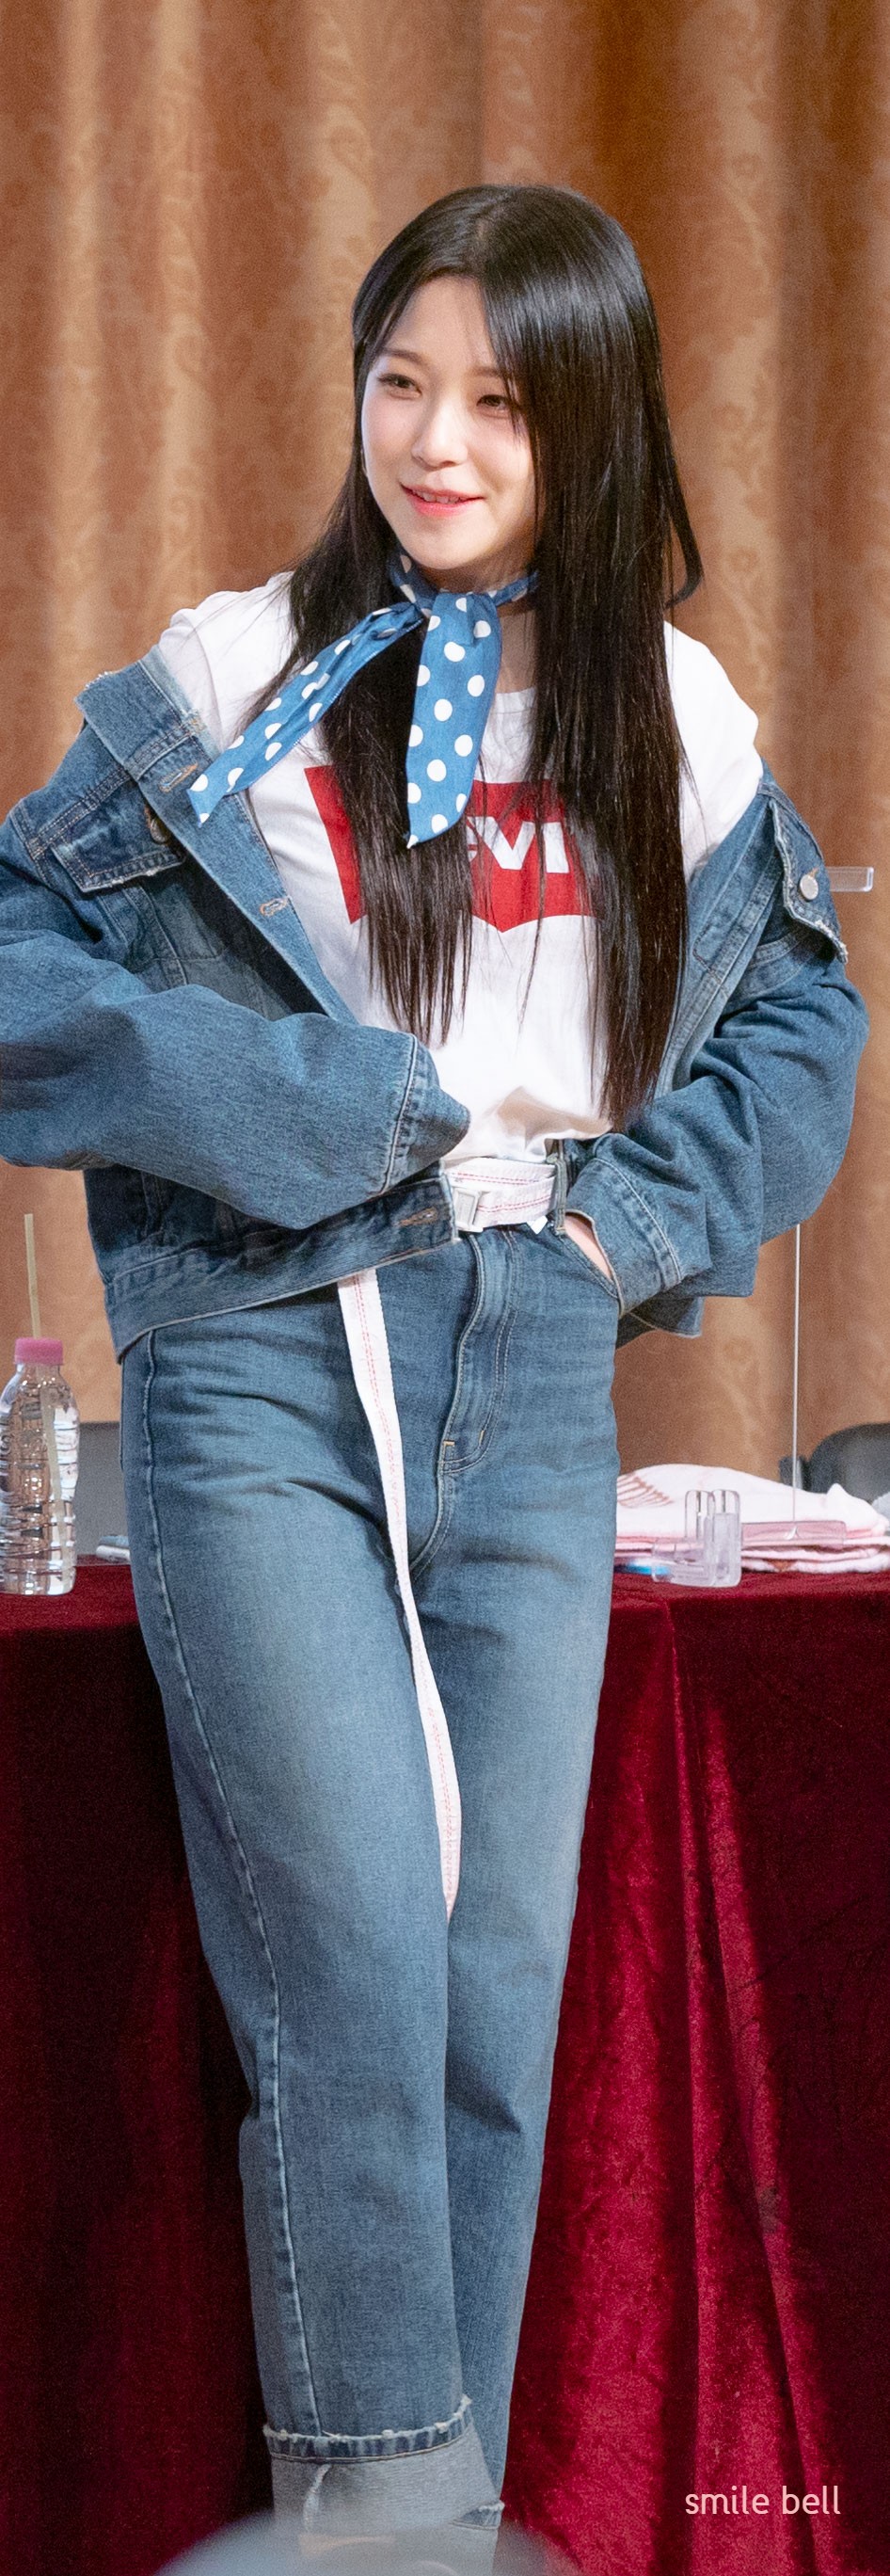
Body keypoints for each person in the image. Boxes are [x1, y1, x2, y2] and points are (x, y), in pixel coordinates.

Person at [0, 184, 867, 2547]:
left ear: (589, 422)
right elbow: (18, 969)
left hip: (529, 1356)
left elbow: (803, 1020)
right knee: (360, 1956)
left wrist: (620, 1228)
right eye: (400, 380)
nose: (436, 441)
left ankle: (435, 2521)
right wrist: (278, 1101)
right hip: (264, 1349)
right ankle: (387, 2525)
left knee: (493, 1983)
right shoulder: (234, 676)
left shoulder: (667, 718)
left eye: (498, 397)